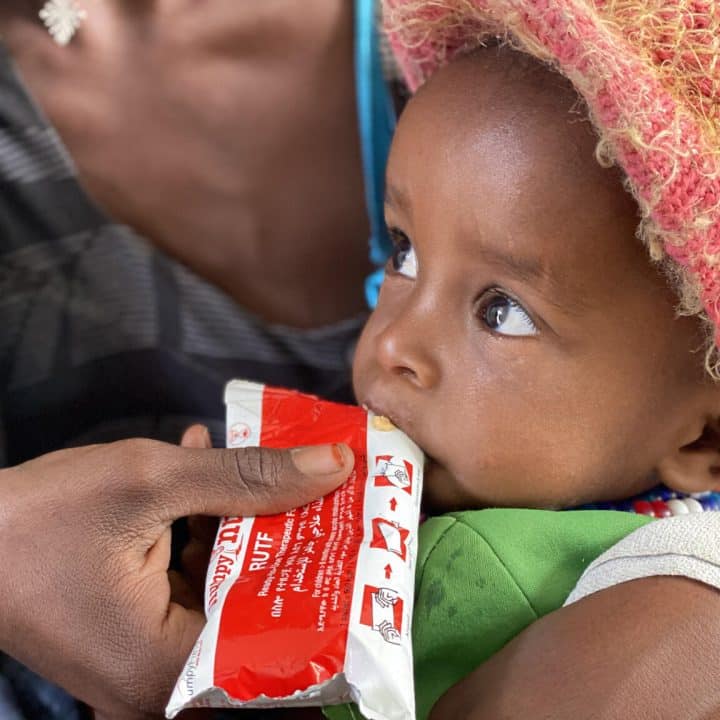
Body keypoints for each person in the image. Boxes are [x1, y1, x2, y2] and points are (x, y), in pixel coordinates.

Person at [0, 0, 719, 719]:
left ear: (702, 440)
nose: (393, 343)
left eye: (502, 311)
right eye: (403, 249)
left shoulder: (661, 618)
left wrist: (186, 696)